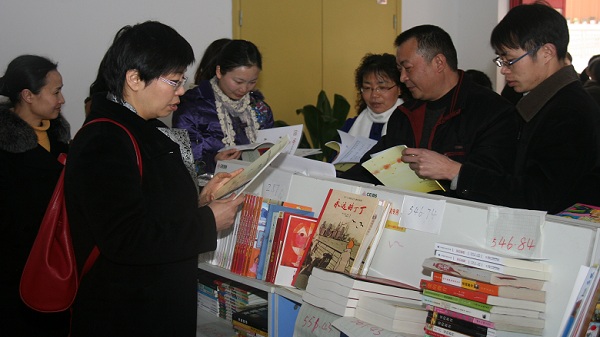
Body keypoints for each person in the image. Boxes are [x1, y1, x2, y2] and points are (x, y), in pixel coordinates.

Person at [63, 21, 245, 337]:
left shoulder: (144, 127)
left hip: (154, 304)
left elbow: (152, 204)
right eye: (174, 81)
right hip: (126, 314)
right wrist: (206, 222)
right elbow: (127, 239)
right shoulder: (104, 140)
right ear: (134, 78)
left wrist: (200, 200)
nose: (182, 91)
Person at [454, 3, 600, 214]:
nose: (504, 70)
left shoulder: (569, 113)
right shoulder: (538, 100)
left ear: (546, 52)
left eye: (510, 60)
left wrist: (459, 173)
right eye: (501, 60)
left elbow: (539, 196)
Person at [341, 24, 517, 195]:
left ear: (439, 63)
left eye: (408, 68)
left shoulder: (492, 111)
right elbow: (373, 167)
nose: (402, 78)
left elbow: (494, 184)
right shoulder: (405, 114)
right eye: (400, 70)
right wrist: (332, 180)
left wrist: (450, 170)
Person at [0, 55, 70, 336]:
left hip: (56, 261)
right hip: (16, 270)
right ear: (28, 95)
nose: (62, 99)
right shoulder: (6, 150)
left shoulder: (58, 137)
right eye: (55, 92)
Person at [172, 39, 275, 174]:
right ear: (219, 72)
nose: (244, 89)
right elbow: (182, 164)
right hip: (208, 190)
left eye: (252, 82)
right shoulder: (192, 108)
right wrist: (214, 162)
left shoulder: (259, 109)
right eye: (238, 81)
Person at [340, 53, 407, 141]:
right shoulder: (350, 126)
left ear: (399, 89)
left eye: (382, 88)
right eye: (367, 88)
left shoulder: (409, 124)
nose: (374, 95)